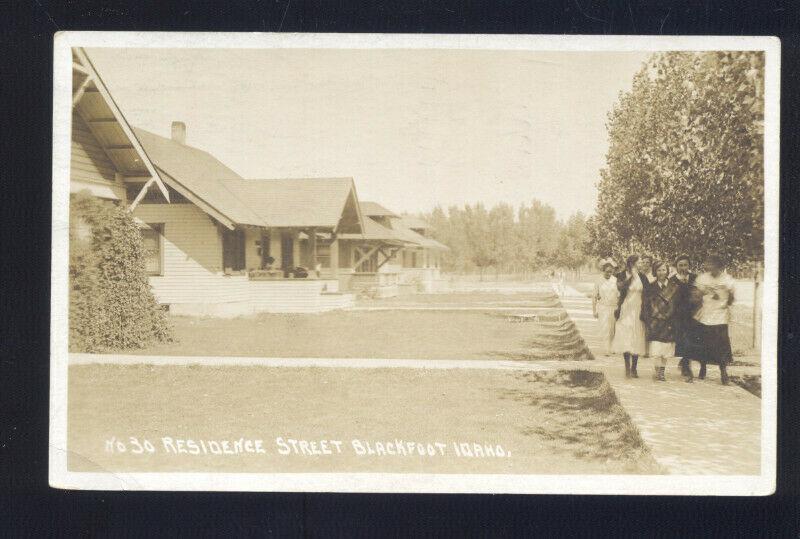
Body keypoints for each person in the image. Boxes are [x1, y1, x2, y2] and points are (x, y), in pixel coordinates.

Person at [693, 254, 736, 385]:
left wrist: (725, 300)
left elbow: (731, 298)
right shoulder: (703, 278)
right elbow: (696, 296)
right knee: (704, 343)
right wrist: (703, 293)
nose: (710, 267)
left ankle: (723, 372)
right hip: (706, 315)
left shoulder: (727, 280)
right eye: (709, 264)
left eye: (713, 265)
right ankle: (703, 367)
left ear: (720, 266)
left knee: (721, 345)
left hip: (720, 316)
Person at [612, 254, 649, 378]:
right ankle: (627, 367)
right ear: (632, 263)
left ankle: (634, 368)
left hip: (638, 309)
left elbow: (648, 293)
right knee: (626, 336)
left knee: (637, 336)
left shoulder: (643, 277)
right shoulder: (622, 275)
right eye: (639, 263)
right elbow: (620, 287)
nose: (641, 265)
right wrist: (631, 277)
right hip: (626, 308)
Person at [643, 260, 679, 381]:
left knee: (666, 348)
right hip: (655, 320)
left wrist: (670, 315)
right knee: (656, 347)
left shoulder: (673, 287)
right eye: (658, 270)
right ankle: (657, 370)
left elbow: (675, 304)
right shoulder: (650, 287)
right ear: (655, 272)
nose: (661, 272)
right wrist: (648, 319)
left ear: (667, 271)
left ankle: (662, 372)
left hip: (668, 320)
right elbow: (646, 304)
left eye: (664, 270)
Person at [669, 254, 700, 381]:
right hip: (679, 314)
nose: (683, 267)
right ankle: (685, 364)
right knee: (682, 340)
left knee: (692, 340)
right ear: (676, 267)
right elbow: (670, 298)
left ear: (689, 266)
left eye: (685, 265)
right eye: (680, 265)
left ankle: (686, 364)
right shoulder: (672, 280)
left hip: (693, 314)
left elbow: (698, 295)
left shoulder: (695, 278)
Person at [592, 259, 619, 356]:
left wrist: (619, 308)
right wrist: (594, 310)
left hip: (614, 307)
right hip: (603, 307)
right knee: (605, 328)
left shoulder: (615, 280)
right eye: (607, 271)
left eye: (611, 272)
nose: (609, 273)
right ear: (603, 271)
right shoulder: (598, 281)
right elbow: (594, 296)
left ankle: (612, 347)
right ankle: (606, 349)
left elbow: (619, 296)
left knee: (613, 329)